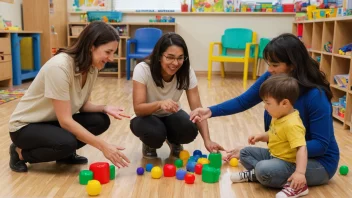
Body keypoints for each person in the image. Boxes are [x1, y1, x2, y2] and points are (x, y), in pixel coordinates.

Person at [190, 33, 340, 188]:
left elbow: (321, 145)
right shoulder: (273, 79)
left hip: (317, 162)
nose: (269, 70)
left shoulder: (316, 96)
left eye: (275, 65)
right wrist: (210, 111)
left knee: (263, 169)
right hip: (284, 155)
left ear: (292, 65)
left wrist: (279, 148)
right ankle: (268, 171)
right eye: (269, 64)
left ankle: (262, 173)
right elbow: (243, 101)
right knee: (244, 153)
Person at [9, 21, 130, 172]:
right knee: (66, 143)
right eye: (108, 52)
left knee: (100, 120)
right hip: (26, 126)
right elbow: (65, 121)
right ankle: (20, 153)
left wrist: (104, 108)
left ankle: (64, 154)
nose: (111, 58)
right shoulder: (59, 67)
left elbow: (82, 104)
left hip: (52, 121)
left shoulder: (92, 68)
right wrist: (103, 146)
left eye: (113, 53)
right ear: (91, 46)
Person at [130, 32, 224, 159]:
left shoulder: (186, 72)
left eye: (180, 58)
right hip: (146, 116)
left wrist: (207, 140)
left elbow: (197, 109)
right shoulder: (143, 69)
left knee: (189, 130)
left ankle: (174, 141)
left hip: (171, 115)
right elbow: (139, 109)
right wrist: (159, 104)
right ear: (159, 56)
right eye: (170, 57)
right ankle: (149, 144)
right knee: (155, 134)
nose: (175, 63)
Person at [230, 74, 308, 198]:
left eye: (268, 103)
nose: (265, 107)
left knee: (262, 168)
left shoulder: (293, 124)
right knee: (244, 153)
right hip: (273, 155)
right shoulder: (279, 115)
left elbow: (301, 148)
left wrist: (300, 173)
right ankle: (258, 173)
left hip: (287, 164)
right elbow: (274, 134)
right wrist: (261, 136)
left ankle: (296, 186)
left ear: (284, 103)